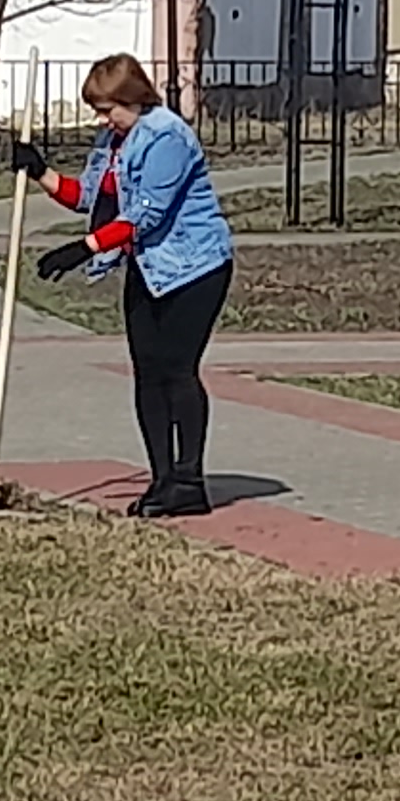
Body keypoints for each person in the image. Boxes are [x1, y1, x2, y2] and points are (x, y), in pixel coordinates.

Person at [21, 52, 234, 518]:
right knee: (146, 371)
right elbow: (93, 199)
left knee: (177, 369)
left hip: (195, 267)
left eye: (107, 109)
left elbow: (145, 214)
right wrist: (41, 173)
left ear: (134, 98)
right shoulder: (112, 141)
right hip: (148, 267)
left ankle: (189, 480)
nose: (102, 119)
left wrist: (85, 248)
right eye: (98, 110)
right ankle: (161, 480)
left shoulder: (167, 137)